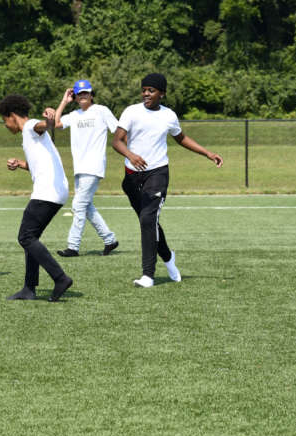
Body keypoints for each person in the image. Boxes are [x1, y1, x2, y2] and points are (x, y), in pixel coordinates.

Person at [112, 73, 223, 288]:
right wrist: (131, 155)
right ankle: (169, 257)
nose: (146, 93)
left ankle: (147, 275)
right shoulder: (131, 111)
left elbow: (180, 138)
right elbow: (116, 141)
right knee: (149, 222)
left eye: (151, 90)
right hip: (132, 177)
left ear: (161, 93)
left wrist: (207, 153)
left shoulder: (169, 115)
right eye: (144, 89)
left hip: (157, 173)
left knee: (147, 220)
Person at [0, 94, 73, 302]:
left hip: (47, 191)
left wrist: (48, 119)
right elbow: (40, 163)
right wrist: (21, 164)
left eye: (5, 122)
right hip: (54, 190)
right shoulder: (29, 135)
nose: (6, 126)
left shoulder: (30, 126)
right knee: (31, 239)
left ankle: (60, 278)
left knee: (26, 237)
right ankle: (29, 288)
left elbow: (42, 125)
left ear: (12, 116)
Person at [49, 79, 119, 257]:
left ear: (91, 94)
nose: (82, 96)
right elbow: (55, 124)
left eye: (85, 93)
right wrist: (64, 101)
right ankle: (110, 240)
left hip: (94, 166)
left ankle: (73, 246)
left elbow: (118, 130)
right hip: (79, 168)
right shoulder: (74, 114)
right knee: (87, 207)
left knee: (78, 205)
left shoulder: (101, 111)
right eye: (79, 94)